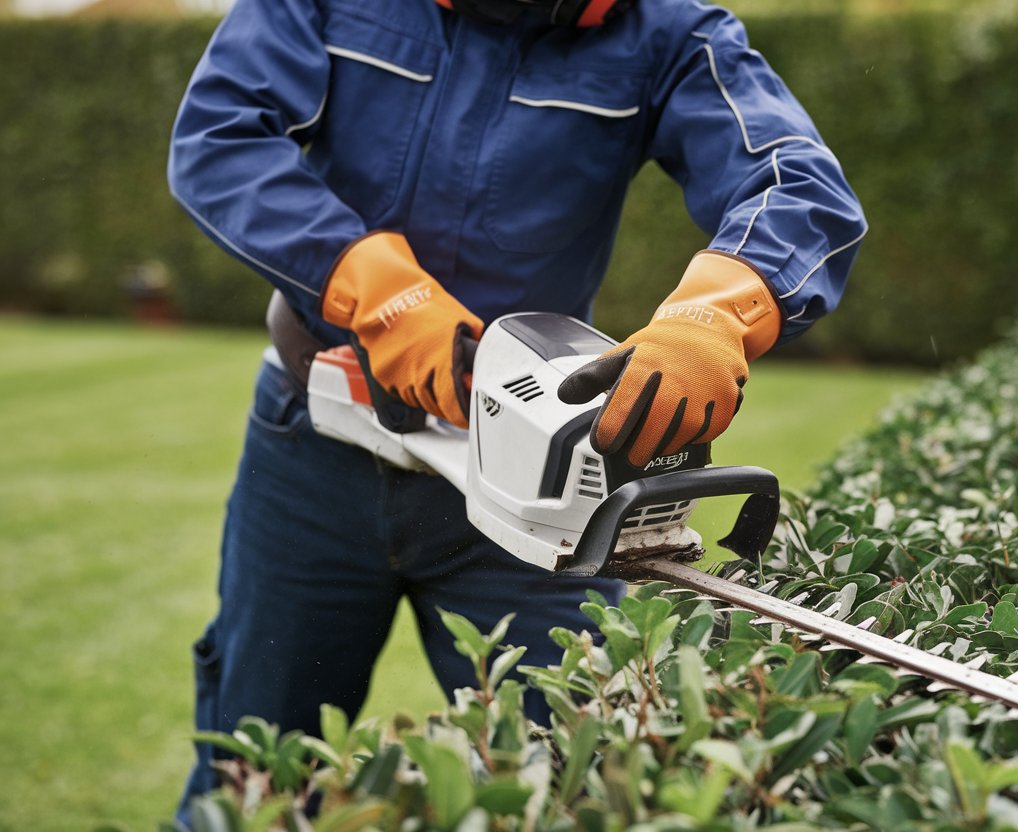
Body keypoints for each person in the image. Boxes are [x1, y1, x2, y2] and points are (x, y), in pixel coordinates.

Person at [167, 0, 866, 818]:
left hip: (537, 488)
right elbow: (220, 136)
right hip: (313, 447)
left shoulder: (669, 31)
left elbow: (796, 181)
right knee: (251, 782)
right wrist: (375, 292)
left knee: (582, 778)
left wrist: (717, 313)